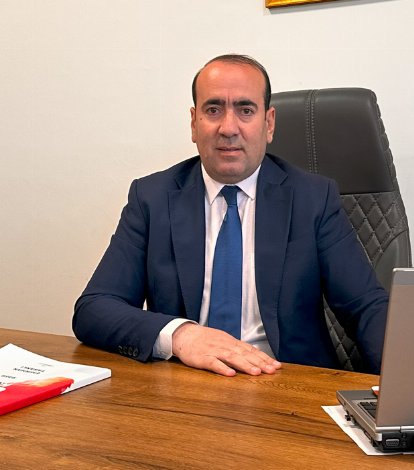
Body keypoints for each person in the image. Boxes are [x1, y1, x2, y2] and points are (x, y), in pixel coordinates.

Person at [72, 54, 388, 377]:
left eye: (245, 110)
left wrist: (405, 383)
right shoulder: (152, 199)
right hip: (186, 385)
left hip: (287, 384)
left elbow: (367, 307)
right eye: (213, 110)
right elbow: (94, 308)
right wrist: (181, 335)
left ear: (269, 124)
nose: (228, 128)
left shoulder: (313, 199)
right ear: (194, 123)